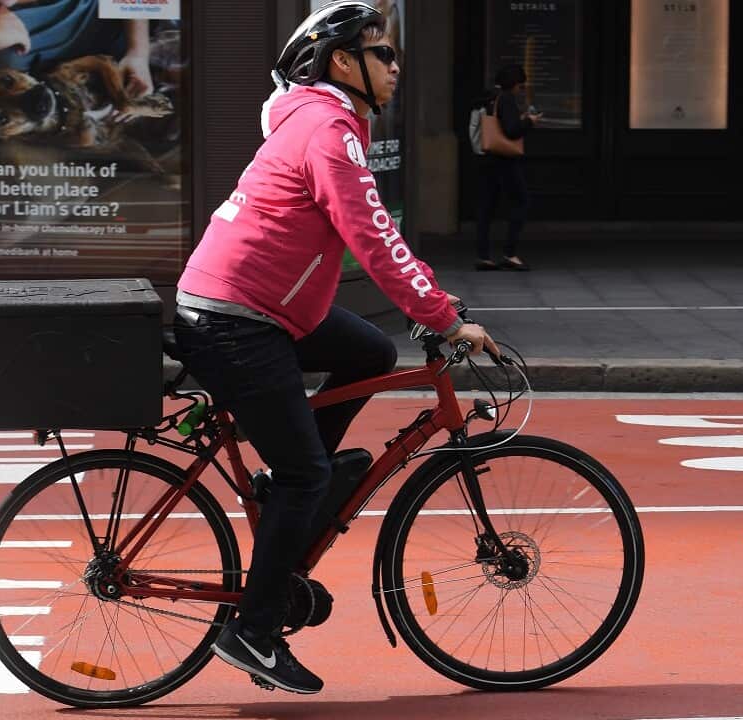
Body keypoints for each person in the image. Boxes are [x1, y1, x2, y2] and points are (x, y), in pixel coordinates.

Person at [172, 1, 498, 695]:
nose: (396, 66)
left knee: (370, 354)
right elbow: (373, 236)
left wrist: (431, 307)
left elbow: (372, 235)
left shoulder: (324, 120)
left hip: (257, 307)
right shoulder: (327, 129)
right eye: (384, 54)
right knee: (306, 475)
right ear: (343, 63)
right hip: (236, 318)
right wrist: (441, 316)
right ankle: (254, 633)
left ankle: (295, 489)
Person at [0, 0, 155, 174]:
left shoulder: (14, 44)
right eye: (2, 118)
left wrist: (138, 50)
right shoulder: (13, 45)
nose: (19, 97)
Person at [474, 64, 541, 272]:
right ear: (514, 85)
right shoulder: (507, 99)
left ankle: (483, 256)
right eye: (521, 86)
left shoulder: (491, 97)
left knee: (487, 207)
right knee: (521, 201)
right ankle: (509, 253)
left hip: (487, 159)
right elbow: (511, 131)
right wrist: (529, 122)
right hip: (504, 160)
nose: (521, 90)